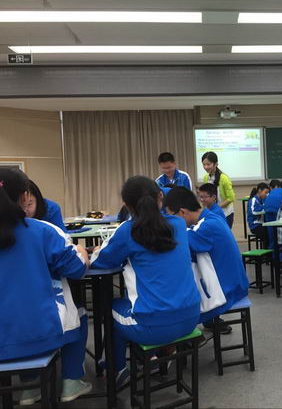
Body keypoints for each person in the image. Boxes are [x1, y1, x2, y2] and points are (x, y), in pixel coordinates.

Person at [90, 176, 201, 386]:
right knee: (139, 301)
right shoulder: (178, 224)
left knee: (112, 308)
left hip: (153, 328)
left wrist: (96, 250)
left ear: (126, 205)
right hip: (191, 317)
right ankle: (150, 357)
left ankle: (117, 369)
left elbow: (100, 262)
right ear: (160, 197)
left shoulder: (127, 230)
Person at [0, 168, 92, 404]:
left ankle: (29, 388)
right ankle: (71, 381)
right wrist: (82, 252)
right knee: (79, 314)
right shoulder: (42, 231)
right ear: (24, 197)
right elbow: (76, 270)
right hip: (39, 333)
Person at [164, 187, 249, 334]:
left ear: (182, 212)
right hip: (235, 283)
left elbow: (180, 244)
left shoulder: (205, 227)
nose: (172, 222)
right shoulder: (211, 217)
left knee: (175, 304)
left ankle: (182, 339)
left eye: (172, 217)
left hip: (227, 290)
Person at [201, 151, 236, 229]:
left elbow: (231, 198)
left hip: (225, 214)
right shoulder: (206, 178)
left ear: (216, 164)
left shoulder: (224, 178)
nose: (206, 167)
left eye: (208, 164)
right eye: (204, 164)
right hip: (212, 213)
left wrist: (216, 207)